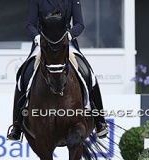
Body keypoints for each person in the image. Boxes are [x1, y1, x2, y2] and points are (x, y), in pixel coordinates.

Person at [7, 0, 108, 141]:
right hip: (43, 42)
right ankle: (17, 125)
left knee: (88, 72)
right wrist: (37, 37)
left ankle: (99, 120)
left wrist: (68, 36)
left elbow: (80, 24)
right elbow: (30, 24)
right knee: (22, 75)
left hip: (66, 42)